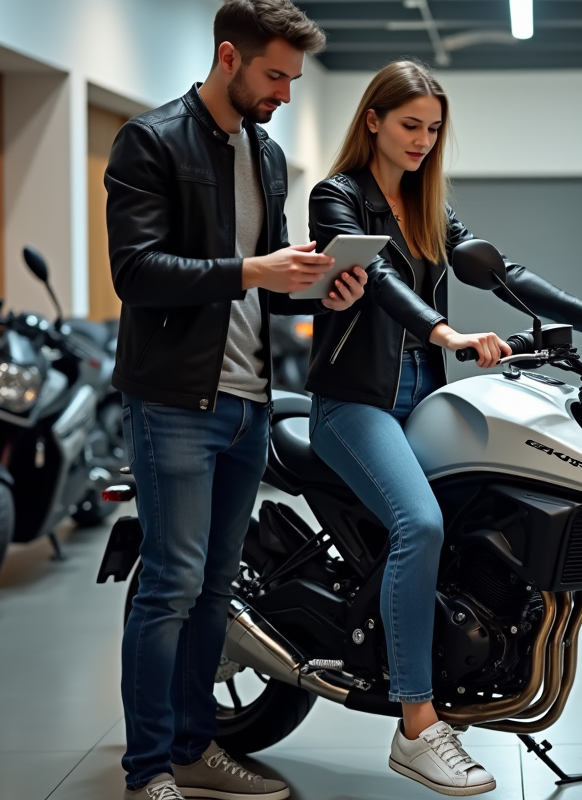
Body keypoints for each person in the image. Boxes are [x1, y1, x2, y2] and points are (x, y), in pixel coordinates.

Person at [304, 60, 582, 796]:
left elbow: (507, 273)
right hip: (354, 404)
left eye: (433, 131)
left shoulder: (430, 206)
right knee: (420, 527)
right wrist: (446, 332)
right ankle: (416, 725)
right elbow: (377, 283)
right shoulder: (337, 197)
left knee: (480, 521)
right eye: (410, 126)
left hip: (422, 400)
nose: (423, 142)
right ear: (372, 119)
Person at [105, 3, 366, 799]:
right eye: (275, 74)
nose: (285, 92)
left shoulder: (269, 155)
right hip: (176, 401)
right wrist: (252, 270)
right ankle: (147, 769)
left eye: (292, 77)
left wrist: (320, 291)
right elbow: (136, 272)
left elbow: (264, 286)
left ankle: (195, 751)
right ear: (229, 57)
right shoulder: (150, 140)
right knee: (171, 586)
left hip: (250, 398)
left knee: (216, 589)